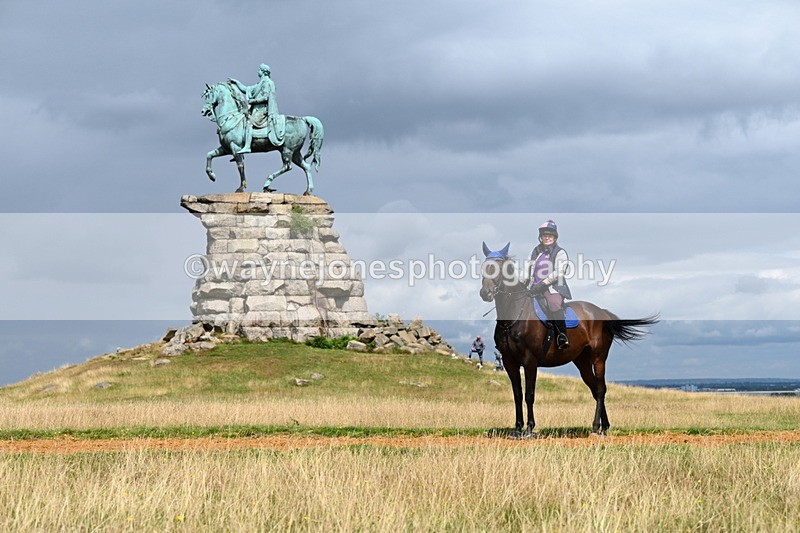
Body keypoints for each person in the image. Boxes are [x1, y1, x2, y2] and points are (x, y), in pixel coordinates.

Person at [528, 219, 572, 349]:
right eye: (544, 235)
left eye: (550, 235)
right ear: (540, 237)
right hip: (534, 288)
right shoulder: (535, 252)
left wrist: (544, 283)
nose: (547, 238)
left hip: (553, 288)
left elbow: (559, 272)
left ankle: (561, 336)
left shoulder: (560, 252)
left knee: (553, 304)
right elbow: (527, 269)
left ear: (554, 237)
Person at [228, 63, 285, 152]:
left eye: (259, 69)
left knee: (249, 123)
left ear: (263, 72)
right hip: (256, 110)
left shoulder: (267, 82)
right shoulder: (260, 83)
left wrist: (254, 101)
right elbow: (246, 89)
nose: (257, 71)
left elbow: (266, 97)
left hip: (262, 111)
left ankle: (247, 146)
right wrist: (236, 83)